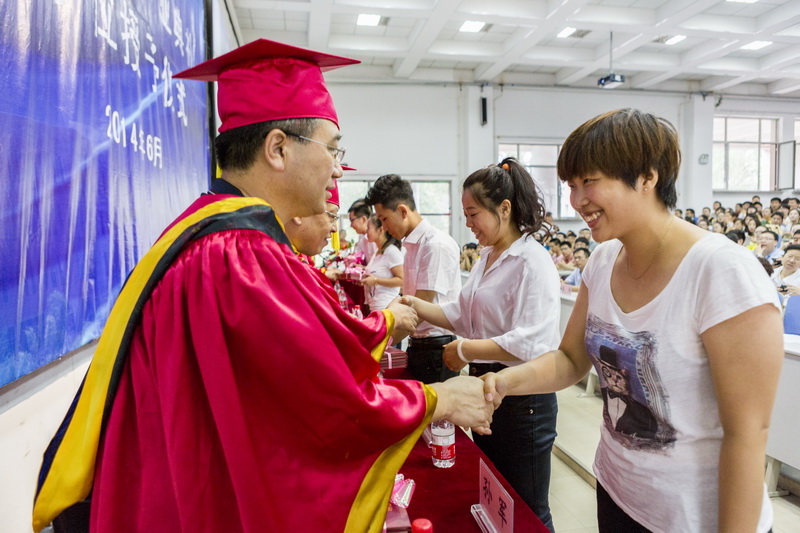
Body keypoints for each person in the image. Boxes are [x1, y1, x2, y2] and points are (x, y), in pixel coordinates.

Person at [32, 39, 494, 533]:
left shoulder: (212, 238)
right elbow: (324, 398)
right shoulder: (238, 256)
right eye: (333, 149)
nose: (338, 168)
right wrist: (440, 400)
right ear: (277, 148)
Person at [481, 109, 782, 533]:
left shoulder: (721, 271)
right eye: (571, 185)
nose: (577, 200)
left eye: (589, 181)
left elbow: (747, 434)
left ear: (647, 177)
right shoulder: (603, 260)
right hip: (617, 492)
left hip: (689, 519)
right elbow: (570, 359)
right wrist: (498, 384)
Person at [402, 158, 561, 531]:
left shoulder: (531, 261)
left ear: (504, 209)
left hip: (523, 398)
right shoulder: (487, 257)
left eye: (473, 214)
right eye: (465, 215)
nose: (469, 224)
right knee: (496, 493)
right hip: (486, 390)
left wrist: (465, 350)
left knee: (528, 505)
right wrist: (413, 305)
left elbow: (531, 342)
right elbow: (462, 314)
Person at [365, 174, 462, 384]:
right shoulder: (411, 246)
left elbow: (420, 307)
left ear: (402, 211)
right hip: (418, 345)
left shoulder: (435, 245)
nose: (384, 227)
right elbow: (408, 300)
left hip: (436, 349)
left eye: (384, 219)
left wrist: (381, 341)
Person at [360, 214, 404, 312]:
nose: (366, 231)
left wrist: (376, 280)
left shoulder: (391, 251)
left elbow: (402, 280)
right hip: (375, 307)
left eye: (369, 228)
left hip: (387, 307)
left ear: (381, 229)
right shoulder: (378, 251)